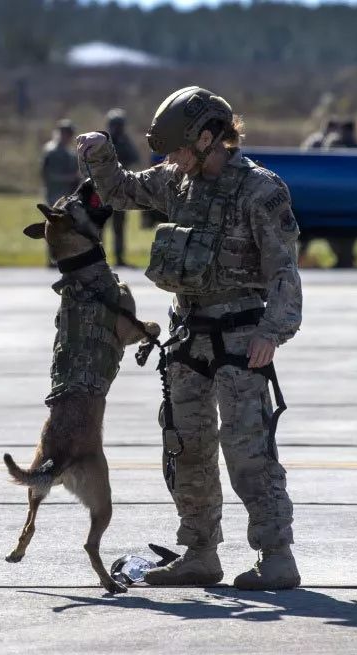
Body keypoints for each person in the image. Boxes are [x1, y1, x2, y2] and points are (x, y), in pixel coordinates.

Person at [77, 86, 303, 590]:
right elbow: (121, 191)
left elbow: (285, 271)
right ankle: (200, 552)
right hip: (187, 338)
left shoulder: (261, 191)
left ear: (209, 137)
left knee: (248, 448)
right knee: (186, 448)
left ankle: (276, 556)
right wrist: (99, 152)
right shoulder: (177, 181)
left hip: (242, 337)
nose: (172, 159)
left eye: (178, 148)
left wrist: (273, 331)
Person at [41, 119, 81, 267]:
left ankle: (64, 257)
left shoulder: (70, 153)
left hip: (67, 196)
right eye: (67, 134)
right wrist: (67, 178)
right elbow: (47, 175)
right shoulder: (51, 151)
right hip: (54, 193)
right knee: (52, 227)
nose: (69, 137)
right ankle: (52, 259)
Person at [105, 108, 141, 266]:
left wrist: (124, 141)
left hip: (120, 190)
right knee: (100, 226)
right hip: (104, 190)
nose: (118, 128)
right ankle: (100, 259)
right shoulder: (104, 141)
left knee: (119, 227)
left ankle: (119, 258)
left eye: (120, 125)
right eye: (116, 125)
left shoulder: (124, 141)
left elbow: (135, 157)